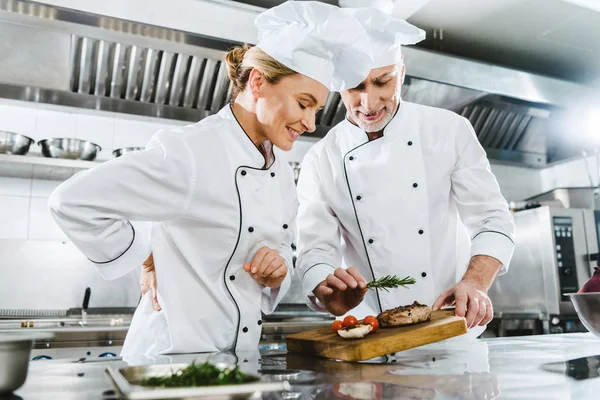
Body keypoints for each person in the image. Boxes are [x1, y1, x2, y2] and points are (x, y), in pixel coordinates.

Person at [48, 1, 374, 355]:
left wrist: (275, 272)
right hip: (170, 363)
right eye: (303, 103)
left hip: (235, 364)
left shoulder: (280, 172)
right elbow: (71, 202)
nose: (311, 124)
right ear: (258, 83)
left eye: (317, 110)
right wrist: (146, 255)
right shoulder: (192, 152)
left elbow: (276, 250)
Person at [296, 7, 516, 337]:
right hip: (372, 336)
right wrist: (326, 287)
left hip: (451, 331)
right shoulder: (321, 158)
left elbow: (493, 220)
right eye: (354, 87)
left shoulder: (448, 130)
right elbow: (315, 249)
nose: (367, 104)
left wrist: (475, 282)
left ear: (400, 72)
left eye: (381, 82)